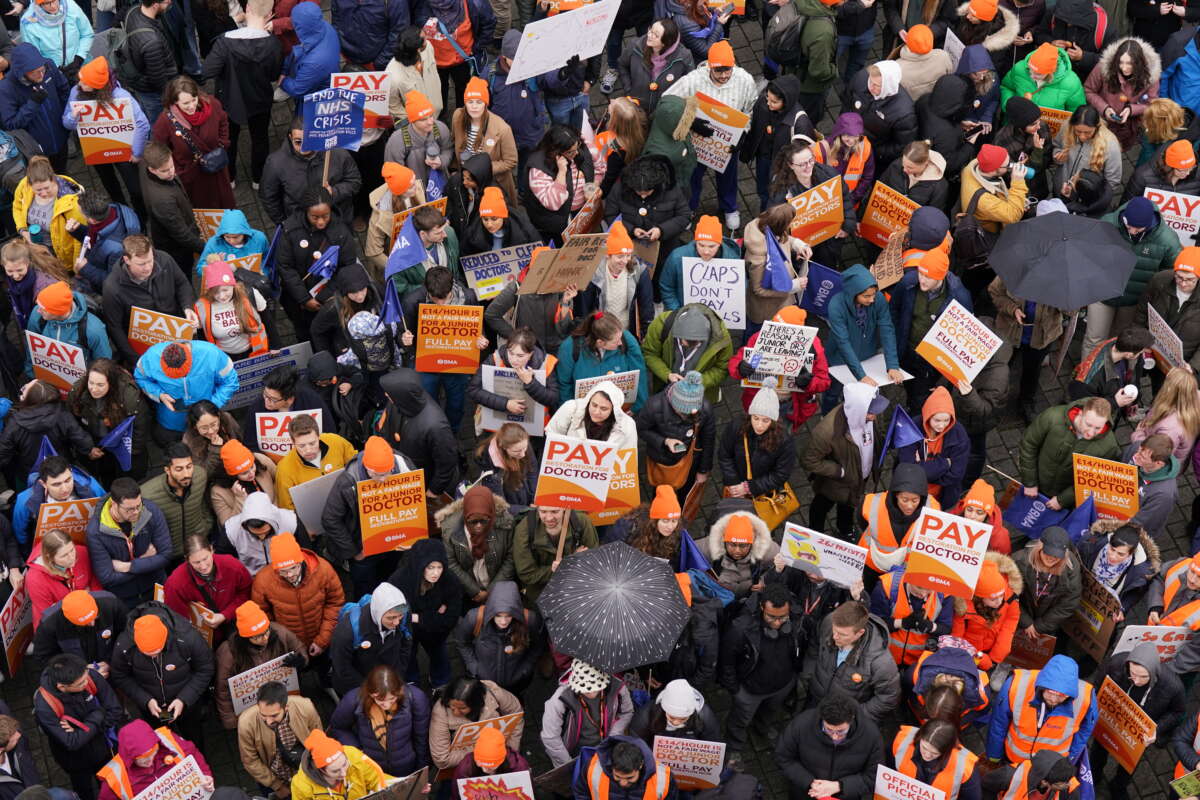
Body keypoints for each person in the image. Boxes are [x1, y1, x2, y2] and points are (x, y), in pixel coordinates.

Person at [661, 40, 756, 230]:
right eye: (718, 71)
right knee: (692, 177)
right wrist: (691, 122)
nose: (723, 75)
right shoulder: (694, 80)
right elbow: (668, 101)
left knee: (728, 177)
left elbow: (751, 109)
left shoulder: (745, 80)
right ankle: (688, 209)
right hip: (697, 142)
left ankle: (729, 207)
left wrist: (742, 134)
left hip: (727, 143)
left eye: (727, 70)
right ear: (709, 67)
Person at [1085, 199, 1182, 356]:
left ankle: (1111, 375)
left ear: (1150, 223)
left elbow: (1169, 273)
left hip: (1133, 301)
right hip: (1101, 293)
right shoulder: (1107, 224)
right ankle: (1087, 376)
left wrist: (1153, 292)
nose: (1132, 231)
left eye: (1138, 229)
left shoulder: (1167, 241)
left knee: (1120, 340)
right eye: (1129, 226)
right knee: (1093, 339)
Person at [201, 0, 282, 189]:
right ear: (269, 14)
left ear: (248, 9)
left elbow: (207, 71)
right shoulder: (273, 45)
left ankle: (229, 177)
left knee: (229, 140)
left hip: (230, 100)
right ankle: (258, 178)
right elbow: (273, 75)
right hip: (260, 99)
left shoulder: (224, 42)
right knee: (260, 138)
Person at [718, 583, 805, 759]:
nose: (777, 623)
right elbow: (726, 662)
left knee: (770, 712)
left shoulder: (796, 620)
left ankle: (762, 729)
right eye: (771, 617)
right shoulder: (740, 628)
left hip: (782, 685)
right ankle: (734, 746)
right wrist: (736, 690)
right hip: (750, 690)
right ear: (761, 607)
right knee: (739, 721)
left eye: (783, 618)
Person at [109, 607, 216, 748]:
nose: (153, 656)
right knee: (163, 743)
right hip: (153, 709)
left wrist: (184, 699)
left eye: (157, 651)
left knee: (194, 738)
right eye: (148, 653)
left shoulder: (188, 638)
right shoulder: (124, 646)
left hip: (187, 703)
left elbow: (205, 669)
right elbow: (120, 676)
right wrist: (145, 700)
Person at [802, 384, 889, 541]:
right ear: (858, 410)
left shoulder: (872, 415)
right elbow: (809, 461)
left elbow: (878, 433)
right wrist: (839, 471)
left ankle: (845, 529)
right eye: (870, 413)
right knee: (821, 506)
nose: (874, 416)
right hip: (834, 483)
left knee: (849, 504)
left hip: (858, 480)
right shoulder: (826, 431)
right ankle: (815, 535)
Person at [34, 653, 125, 800]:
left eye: (86, 677)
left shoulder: (90, 677)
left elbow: (115, 711)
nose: (86, 683)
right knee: (83, 791)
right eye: (80, 683)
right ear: (62, 687)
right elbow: (71, 743)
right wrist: (98, 715)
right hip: (74, 761)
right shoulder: (45, 706)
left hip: (103, 750)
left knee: (109, 786)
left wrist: (80, 731)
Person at [890, 250, 972, 411]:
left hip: (930, 363)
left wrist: (945, 380)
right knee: (908, 385)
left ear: (941, 277)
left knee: (920, 398)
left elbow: (963, 339)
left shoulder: (960, 298)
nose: (922, 280)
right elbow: (893, 309)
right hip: (906, 351)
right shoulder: (908, 283)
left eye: (928, 277)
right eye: (920, 273)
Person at [1095, 643, 1182, 792]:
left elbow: (1177, 712)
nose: (1136, 681)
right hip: (1110, 720)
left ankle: (1118, 787)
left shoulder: (1173, 686)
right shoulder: (1116, 663)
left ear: (1154, 672)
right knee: (1098, 750)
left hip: (1138, 733)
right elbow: (1098, 684)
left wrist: (1157, 729)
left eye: (1143, 677)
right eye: (1132, 673)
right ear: (1127, 664)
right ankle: (1093, 776)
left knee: (1128, 764)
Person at [100, 235, 197, 369]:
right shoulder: (112, 288)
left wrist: (188, 307)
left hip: (175, 332)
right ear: (127, 260)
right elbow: (115, 328)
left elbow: (182, 284)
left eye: (150, 261)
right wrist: (136, 360)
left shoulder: (165, 259)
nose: (148, 267)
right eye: (141, 264)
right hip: (144, 345)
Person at [986, 653, 1097, 764]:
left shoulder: (1086, 698)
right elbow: (998, 723)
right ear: (1043, 685)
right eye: (1050, 692)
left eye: (1061, 696)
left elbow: (1085, 731)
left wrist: (1070, 758)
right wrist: (994, 755)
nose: (1054, 699)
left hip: (1050, 767)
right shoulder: (1016, 685)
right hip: (1015, 760)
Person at [804, 599, 900, 725]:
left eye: (842, 635)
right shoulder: (830, 622)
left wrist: (853, 716)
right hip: (815, 701)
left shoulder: (881, 663)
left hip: (843, 720)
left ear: (860, 633)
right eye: (834, 631)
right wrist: (808, 675)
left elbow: (888, 698)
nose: (834, 637)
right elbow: (814, 646)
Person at [251, 532, 344, 660]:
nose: (290, 575)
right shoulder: (263, 581)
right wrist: (284, 643)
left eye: (293, 568)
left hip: (322, 638)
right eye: (283, 571)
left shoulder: (323, 570)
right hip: (289, 646)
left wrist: (322, 640)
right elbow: (263, 617)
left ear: (301, 561)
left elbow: (335, 604)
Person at [214, 601, 305, 729]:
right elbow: (222, 690)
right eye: (257, 637)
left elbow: (299, 648)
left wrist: (301, 661)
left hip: (282, 701)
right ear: (245, 637)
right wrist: (231, 722)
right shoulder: (228, 654)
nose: (265, 639)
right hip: (254, 712)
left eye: (266, 631)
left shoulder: (280, 632)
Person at [776, 694, 884, 800]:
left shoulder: (871, 736)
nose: (835, 737)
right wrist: (810, 782)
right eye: (828, 730)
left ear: (852, 718)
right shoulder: (801, 725)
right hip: (806, 792)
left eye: (841, 731)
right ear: (822, 718)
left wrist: (839, 786)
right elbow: (784, 758)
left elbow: (873, 776)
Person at [329, 665, 429, 778]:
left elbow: (421, 738)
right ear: (370, 693)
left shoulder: (416, 699)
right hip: (371, 767)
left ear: (400, 690)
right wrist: (357, 750)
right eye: (380, 700)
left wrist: (421, 771)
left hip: (405, 765)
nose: (386, 705)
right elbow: (338, 727)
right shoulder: (353, 700)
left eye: (392, 699)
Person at [1019, 397, 1119, 510]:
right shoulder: (1052, 417)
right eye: (1088, 425)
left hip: (1063, 501)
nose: (1091, 432)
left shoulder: (1109, 447)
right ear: (1080, 413)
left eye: (1098, 428)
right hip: (1035, 483)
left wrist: (1063, 500)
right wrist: (1030, 482)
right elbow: (1029, 444)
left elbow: (1097, 480)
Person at [825, 264, 903, 409]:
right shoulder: (836, 306)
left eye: (873, 294)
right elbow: (843, 342)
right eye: (866, 296)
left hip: (868, 355)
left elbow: (887, 329)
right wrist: (861, 375)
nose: (872, 300)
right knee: (832, 392)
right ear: (853, 293)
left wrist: (892, 365)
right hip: (839, 360)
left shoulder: (878, 299)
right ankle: (827, 414)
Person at [85, 478, 172, 609]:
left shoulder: (150, 511)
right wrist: (146, 562)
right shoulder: (96, 531)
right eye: (130, 509)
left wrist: (129, 566)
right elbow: (107, 578)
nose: (136, 512)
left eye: (139, 505)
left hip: (156, 587)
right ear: (114, 504)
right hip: (124, 599)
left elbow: (166, 555)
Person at [150, 76, 234, 209]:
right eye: (185, 103)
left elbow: (223, 121)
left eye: (193, 100)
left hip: (217, 168)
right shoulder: (165, 121)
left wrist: (223, 143)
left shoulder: (212, 104)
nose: (191, 106)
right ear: (175, 102)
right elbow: (159, 147)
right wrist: (178, 170)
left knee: (225, 205)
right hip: (194, 177)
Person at [375, 370, 460, 497]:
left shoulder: (436, 426)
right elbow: (384, 428)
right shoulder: (398, 401)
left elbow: (447, 462)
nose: (386, 394)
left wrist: (435, 490)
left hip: (423, 479)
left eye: (389, 393)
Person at [134, 341, 238, 445]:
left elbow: (230, 381)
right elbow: (140, 378)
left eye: (183, 374)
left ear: (190, 361)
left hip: (207, 424)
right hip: (171, 421)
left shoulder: (212, 354)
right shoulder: (150, 358)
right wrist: (159, 395)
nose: (179, 378)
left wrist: (211, 406)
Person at [389, 539, 461, 687]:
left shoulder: (450, 580)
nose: (435, 573)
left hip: (435, 633)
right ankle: (412, 686)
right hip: (407, 632)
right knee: (408, 659)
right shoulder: (399, 580)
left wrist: (418, 617)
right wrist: (432, 615)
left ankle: (440, 685)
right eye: (430, 567)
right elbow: (394, 611)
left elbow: (450, 619)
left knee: (439, 657)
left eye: (439, 567)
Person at [452, 580, 542, 695]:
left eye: (509, 615)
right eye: (498, 616)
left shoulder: (529, 620)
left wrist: (525, 669)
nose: (503, 622)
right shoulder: (474, 617)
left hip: (516, 683)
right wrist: (474, 667)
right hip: (483, 683)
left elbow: (537, 645)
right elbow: (461, 642)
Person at [0, 381, 93, 488]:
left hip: (30, 474)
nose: (21, 390)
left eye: (24, 389)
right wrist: (89, 449)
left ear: (30, 399)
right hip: (62, 471)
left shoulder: (15, 423)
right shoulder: (63, 415)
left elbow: (3, 453)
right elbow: (81, 439)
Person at [237, 681, 321, 800]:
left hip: (305, 770)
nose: (268, 721)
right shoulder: (246, 723)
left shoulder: (305, 707)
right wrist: (277, 786)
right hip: (271, 777)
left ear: (286, 707)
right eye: (263, 715)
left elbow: (319, 739)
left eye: (274, 715)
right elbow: (250, 761)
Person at [541, 660, 633, 768]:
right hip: (573, 752)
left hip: (605, 747)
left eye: (597, 688)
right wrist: (568, 765)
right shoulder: (560, 699)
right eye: (586, 690)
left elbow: (626, 711)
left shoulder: (618, 688)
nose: (592, 694)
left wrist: (613, 737)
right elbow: (550, 738)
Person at [136, 142, 208, 278]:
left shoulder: (147, 160)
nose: (171, 172)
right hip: (176, 248)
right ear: (152, 169)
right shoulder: (163, 201)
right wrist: (206, 248)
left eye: (171, 166)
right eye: (164, 171)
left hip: (166, 234)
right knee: (183, 274)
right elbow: (181, 233)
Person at [162, 533, 251, 640]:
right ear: (187, 559)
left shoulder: (232, 566)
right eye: (196, 562)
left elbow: (246, 593)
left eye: (205, 558)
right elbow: (178, 621)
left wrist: (224, 615)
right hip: (202, 636)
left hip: (236, 624)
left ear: (212, 550)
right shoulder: (176, 584)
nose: (203, 566)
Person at [329, 582, 411, 696]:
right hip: (358, 687)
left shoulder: (403, 612)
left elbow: (406, 643)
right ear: (378, 612)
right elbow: (342, 667)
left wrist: (397, 675)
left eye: (400, 616)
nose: (397, 622)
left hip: (389, 679)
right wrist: (370, 691)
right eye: (391, 618)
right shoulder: (347, 631)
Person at [896, 387, 970, 507]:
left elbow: (956, 474)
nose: (942, 426)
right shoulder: (912, 427)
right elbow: (907, 469)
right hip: (911, 494)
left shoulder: (959, 434)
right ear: (928, 415)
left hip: (943, 497)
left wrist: (921, 469)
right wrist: (945, 464)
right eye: (937, 420)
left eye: (947, 420)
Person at [12, 454, 104, 551]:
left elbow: (107, 513)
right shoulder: (25, 501)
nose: (64, 489)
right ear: (43, 484)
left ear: (71, 473)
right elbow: (21, 535)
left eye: (68, 480)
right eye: (56, 484)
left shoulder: (92, 486)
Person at [23, 282, 113, 381]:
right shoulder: (38, 316)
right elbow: (31, 347)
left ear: (58, 311)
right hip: (47, 378)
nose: (38, 310)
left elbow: (104, 363)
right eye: (39, 305)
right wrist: (31, 375)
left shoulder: (94, 329)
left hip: (80, 383)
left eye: (43, 308)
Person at [0, 46, 70, 171]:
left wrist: (66, 119)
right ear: (21, 72)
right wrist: (33, 103)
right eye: (34, 72)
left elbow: (64, 90)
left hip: (61, 138)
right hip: (35, 151)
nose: (41, 75)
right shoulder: (5, 88)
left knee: (62, 172)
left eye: (42, 70)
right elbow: (10, 124)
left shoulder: (48, 65)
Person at [431, 676, 522, 773]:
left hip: (500, 757)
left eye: (462, 708)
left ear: (476, 703)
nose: (456, 713)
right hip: (466, 767)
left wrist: (511, 752)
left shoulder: (494, 693)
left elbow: (516, 717)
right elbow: (442, 759)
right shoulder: (440, 713)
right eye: (452, 706)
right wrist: (484, 750)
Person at [512, 506, 599, 604]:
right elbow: (526, 574)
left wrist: (569, 563)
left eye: (555, 512)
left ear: (564, 509)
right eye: (543, 512)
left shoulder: (581, 521)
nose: (549, 518)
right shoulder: (526, 528)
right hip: (541, 593)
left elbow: (593, 560)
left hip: (576, 588)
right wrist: (555, 569)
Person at [451, 77, 518, 204]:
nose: (474, 107)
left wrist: (482, 170)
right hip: (466, 179)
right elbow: (455, 142)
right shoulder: (457, 116)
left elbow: (511, 161)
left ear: (486, 104)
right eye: (470, 102)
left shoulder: (502, 129)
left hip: (492, 183)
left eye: (479, 102)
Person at [871, 565, 954, 666]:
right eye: (919, 587)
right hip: (884, 655)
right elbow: (874, 624)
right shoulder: (886, 586)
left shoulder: (945, 594)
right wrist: (901, 623)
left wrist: (930, 626)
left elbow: (946, 628)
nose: (923, 594)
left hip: (919, 661)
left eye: (929, 589)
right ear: (907, 577)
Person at [272, 414, 356, 512]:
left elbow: (356, 464)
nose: (308, 450)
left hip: (347, 504)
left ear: (318, 435)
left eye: (312, 443)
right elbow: (287, 510)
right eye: (302, 446)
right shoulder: (284, 470)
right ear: (292, 442)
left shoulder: (337, 442)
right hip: (313, 515)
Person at [139, 445, 213, 557]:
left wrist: (206, 525)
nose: (186, 474)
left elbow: (202, 503)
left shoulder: (200, 475)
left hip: (197, 545)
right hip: (168, 553)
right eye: (179, 469)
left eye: (189, 467)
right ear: (167, 470)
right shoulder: (147, 495)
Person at [31, 589, 127, 675]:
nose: (92, 624)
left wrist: (110, 662)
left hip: (113, 664)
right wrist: (78, 670)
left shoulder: (111, 604)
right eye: (85, 623)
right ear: (69, 620)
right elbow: (44, 658)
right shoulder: (50, 624)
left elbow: (125, 637)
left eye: (95, 617)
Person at [12, 156, 86, 267]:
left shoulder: (71, 203)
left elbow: (79, 238)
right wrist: (23, 231)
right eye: (38, 190)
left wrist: (77, 267)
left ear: (53, 179)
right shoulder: (24, 185)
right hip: (35, 248)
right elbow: (17, 207)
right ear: (30, 184)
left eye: (47, 188)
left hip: (60, 257)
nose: (44, 193)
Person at [1137, 251, 1200, 378]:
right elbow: (1142, 312)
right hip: (1152, 347)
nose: (1183, 283)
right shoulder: (1160, 280)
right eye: (1179, 277)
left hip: (1184, 359)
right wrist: (1140, 339)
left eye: (1190, 280)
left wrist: (1193, 366)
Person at [68, 190, 143, 295]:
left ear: (92, 220)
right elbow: (96, 238)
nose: (80, 215)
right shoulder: (114, 209)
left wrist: (85, 268)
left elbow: (114, 280)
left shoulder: (116, 249)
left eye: (81, 214)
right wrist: (77, 230)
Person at [193, 262, 272, 361]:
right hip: (223, 357)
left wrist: (275, 345)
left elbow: (267, 318)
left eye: (225, 290)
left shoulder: (249, 294)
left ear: (233, 285)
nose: (221, 296)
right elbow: (202, 335)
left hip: (254, 351)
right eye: (215, 292)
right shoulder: (201, 306)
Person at [25, 529, 101, 631]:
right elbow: (49, 614)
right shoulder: (35, 579)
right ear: (49, 557)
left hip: (88, 613)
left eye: (72, 550)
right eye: (64, 555)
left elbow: (95, 581)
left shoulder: (82, 552)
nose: (72, 557)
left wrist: (93, 606)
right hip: (58, 626)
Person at [1012, 527, 1082, 637]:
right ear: (1040, 547)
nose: (1051, 558)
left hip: (1048, 625)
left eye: (1057, 555)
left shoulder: (1071, 568)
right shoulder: (1019, 560)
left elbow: (1070, 602)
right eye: (1047, 553)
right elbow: (1009, 595)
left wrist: (1040, 626)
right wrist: (1025, 621)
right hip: (1017, 618)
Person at [847, 62, 917, 170]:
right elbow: (847, 101)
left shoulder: (904, 113)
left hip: (871, 155)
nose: (870, 86)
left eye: (877, 85)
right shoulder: (861, 78)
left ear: (888, 86)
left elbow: (900, 146)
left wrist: (873, 151)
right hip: (847, 140)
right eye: (870, 81)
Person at [617, 19, 695, 114]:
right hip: (636, 106)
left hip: (663, 112)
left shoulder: (684, 57)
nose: (649, 35)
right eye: (651, 30)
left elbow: (690, 82)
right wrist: (629, 90)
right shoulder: (634, 46)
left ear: (665, 42)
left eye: (656, 35)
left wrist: (673, 104)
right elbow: (622, 65)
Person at [891, 719, 981, 800]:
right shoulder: (903, 740)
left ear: (948, 749)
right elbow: (888, 767)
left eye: (934, 753)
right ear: (920, 737)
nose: (927, 755)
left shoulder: (965, 767)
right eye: (924, 747)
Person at [290, 729, 389, 800]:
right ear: (320, 770)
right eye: (335, 771)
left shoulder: (353, 755)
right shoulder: (301, 786)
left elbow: (377, 779)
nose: (343, 773)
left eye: (345, 764)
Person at [548, 378, 640, 451]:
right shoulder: (571, 408)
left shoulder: (627, 425)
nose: (596, 412)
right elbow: (552, 435)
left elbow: (627, 459)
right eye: (594, 405)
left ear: (614, 410)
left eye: (604, 409)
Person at [573, 735, 677, 800]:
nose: (623, 782)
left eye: (629, 778)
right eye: (617, 776)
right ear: (611, 765)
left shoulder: (664, 778)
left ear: (640, 765)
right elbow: (581, 792)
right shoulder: (593, 767)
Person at [1132, 369, 1200, 465]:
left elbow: (1153, 455)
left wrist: (1138, 434)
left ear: (1170, 390)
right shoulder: (1194, 396)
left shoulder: (1169, 429)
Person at [278, 3, 339, 104]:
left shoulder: (315, 63)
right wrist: (285, 70)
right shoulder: (324, 27)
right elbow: (297, 50)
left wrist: (283, 82)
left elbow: (298, 90)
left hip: (315, 93)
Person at [224, 490, 293, 576]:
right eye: (255, 534)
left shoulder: (290, 522)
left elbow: (304, 552)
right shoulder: (231, 530)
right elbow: (226, 564)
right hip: (251, 578)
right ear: (245, 526)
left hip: (287, 572)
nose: (262, 537)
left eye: (266, 532)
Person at [1000, 43, 1086, 112]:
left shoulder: (1071, 82)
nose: (1032, 76)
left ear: (1051, 72)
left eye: (1038, 74)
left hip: (1049, 131)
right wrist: (1008, 105)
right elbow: (1006, 87)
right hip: (1016, 126)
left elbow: (1076, 112)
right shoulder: (1020, 68)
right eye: (1030, 70)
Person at [211, 441, 277, 525]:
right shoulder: (218, 492)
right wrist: (239, 498)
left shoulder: (261, 460)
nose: (251, 473)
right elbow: (227, 525)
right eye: (244, 473)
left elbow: (279, 480)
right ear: (233, 475)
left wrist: (275, 509)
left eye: (252, 467)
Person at [453, 726, 530, 795]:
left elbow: (526, 793)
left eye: (491, 766)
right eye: (481, 764)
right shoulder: (465, 767)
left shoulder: (518, 766)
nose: (485, 769)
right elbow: (458, 794)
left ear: (502, 760)